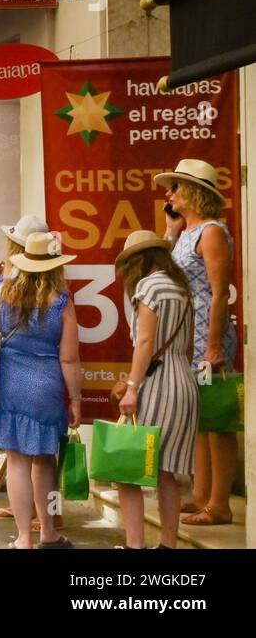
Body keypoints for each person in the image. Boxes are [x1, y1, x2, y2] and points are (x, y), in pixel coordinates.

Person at [0, 231, 81, 549]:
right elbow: (70, 358)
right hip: (47, 385)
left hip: (9, 383)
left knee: (17, 461)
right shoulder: (61, 301)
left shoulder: (2, 291)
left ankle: (23, 539)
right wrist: (75, 400)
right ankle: (48, 532)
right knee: (45, 460)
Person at [157, 159, 238, 526]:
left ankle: (219, 502)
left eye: (175, 187)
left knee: (216, 417)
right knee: (200, 416)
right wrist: (171, 229)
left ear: (194, 193)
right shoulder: (187, 231)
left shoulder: (212, 232)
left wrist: (214, 344)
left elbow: (220, 292)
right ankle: (202, 494)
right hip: (190, 334)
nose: (169, 193)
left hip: (208, 334)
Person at [113, 230, 198, 549]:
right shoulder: (181, 287)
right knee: (167, 471)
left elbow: (146, 341)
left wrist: (132, 386)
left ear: (138, 261)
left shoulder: (148, 286)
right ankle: (167, 545)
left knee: (127, 469)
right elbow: (186, 345)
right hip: (183, 381)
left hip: (156, 383)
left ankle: (135, 545)